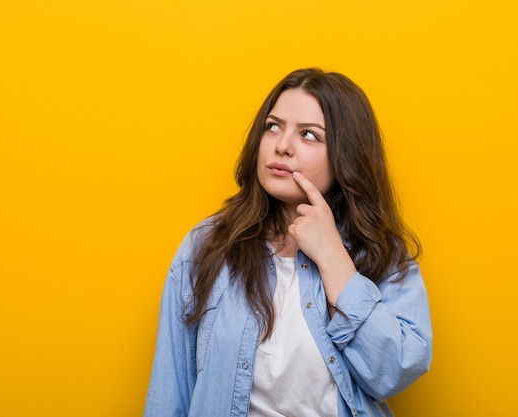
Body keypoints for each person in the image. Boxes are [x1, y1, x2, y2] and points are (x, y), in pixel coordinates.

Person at [144, 68, 432, 417]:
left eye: (309, 135)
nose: (282, 145)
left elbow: (394, 372)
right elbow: (169, 394)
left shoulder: (380, 254)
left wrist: (334, 259)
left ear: (346, 155)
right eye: (273, 126)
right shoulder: (206, 247)